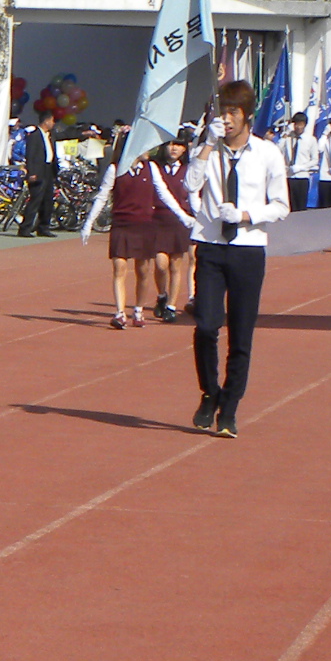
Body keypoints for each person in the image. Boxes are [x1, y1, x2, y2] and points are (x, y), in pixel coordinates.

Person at [154, 78, 289, 437]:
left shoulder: (267, 153)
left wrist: (246, 215)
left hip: (247, 248)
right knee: (206, 324)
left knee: (241, 333)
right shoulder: (209, 148)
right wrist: (207, 145)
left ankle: (229, 407)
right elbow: (190, 185)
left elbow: (281, 205)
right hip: (211, 244)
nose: (227, 119)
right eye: (223, 112)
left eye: (233, 113)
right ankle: (209, 392)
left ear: (247, 116)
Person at [106, 150, 165, 328]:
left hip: (144, 225)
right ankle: (120, 313)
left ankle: (138, 309)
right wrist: (88, 223)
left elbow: (164, 193)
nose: (149, 150)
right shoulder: (115, 169)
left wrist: (184, 216)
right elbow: (102, 195)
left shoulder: (151, 167)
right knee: (119, 268)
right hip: (122, 224)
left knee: (143, 271)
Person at [151, 134, 194, 320]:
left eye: (178, 144)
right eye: (170, 144)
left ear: (184, 148)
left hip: (180, 222)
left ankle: (171, 306)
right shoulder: (155, 168)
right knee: (160, 264)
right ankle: (162, 295)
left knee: (176, 265)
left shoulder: (188, 170)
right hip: (158, 220)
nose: (174, 148)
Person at [15, 111, 58, 237]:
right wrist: (32, 172)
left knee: (48, 200)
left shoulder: (50, 136)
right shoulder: (34, 135)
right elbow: (31, 155)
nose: (53, 124)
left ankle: (43, 227)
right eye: (52, 121)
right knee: (35, 200)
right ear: (46, 121)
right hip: (38, 170)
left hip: (49, 169)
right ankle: (25, 228)